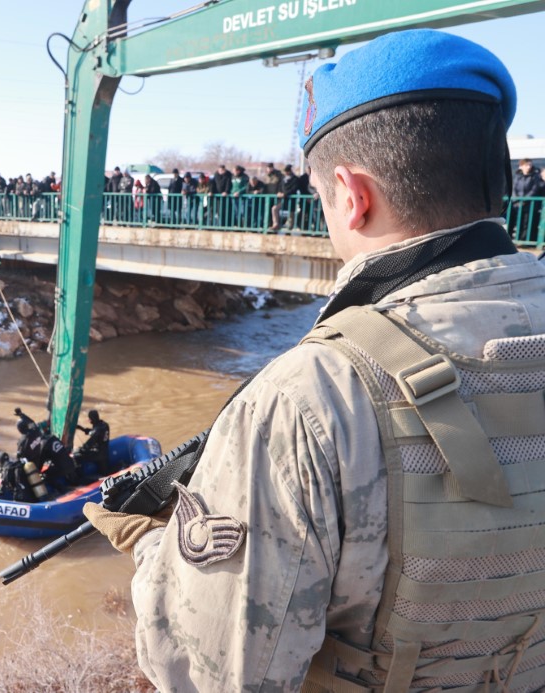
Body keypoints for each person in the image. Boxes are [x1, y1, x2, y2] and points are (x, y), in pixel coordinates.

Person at [83, 29, 545, 691]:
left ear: (351, 195)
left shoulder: (310, 399)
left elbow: (208, 672)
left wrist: (156, 548)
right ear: (496, 177)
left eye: (322, 199)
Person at [509, 157, 544, 241]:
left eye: (530, 165)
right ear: (521, 166)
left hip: (529, 205)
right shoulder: (517, 176)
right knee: (518, 223)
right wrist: (516, 199)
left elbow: (534, 190)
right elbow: (514, 188)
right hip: (517, 204)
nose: (529, 167)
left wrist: (524, 200)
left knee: (527, 223)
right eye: (527, 165)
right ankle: (517, 240)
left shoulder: (535, 176)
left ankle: (524, 241)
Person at [74, 409, 110, 476]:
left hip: (98, 454)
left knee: (77, 457)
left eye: (89, 419)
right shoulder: (104, 425)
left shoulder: (97, 430)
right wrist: (82, 428)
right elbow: (94, 432)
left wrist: (80, 450)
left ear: (91, 419)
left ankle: (80, 478)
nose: (89, 420)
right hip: (105, 452)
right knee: (105, 473)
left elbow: (89, 444)